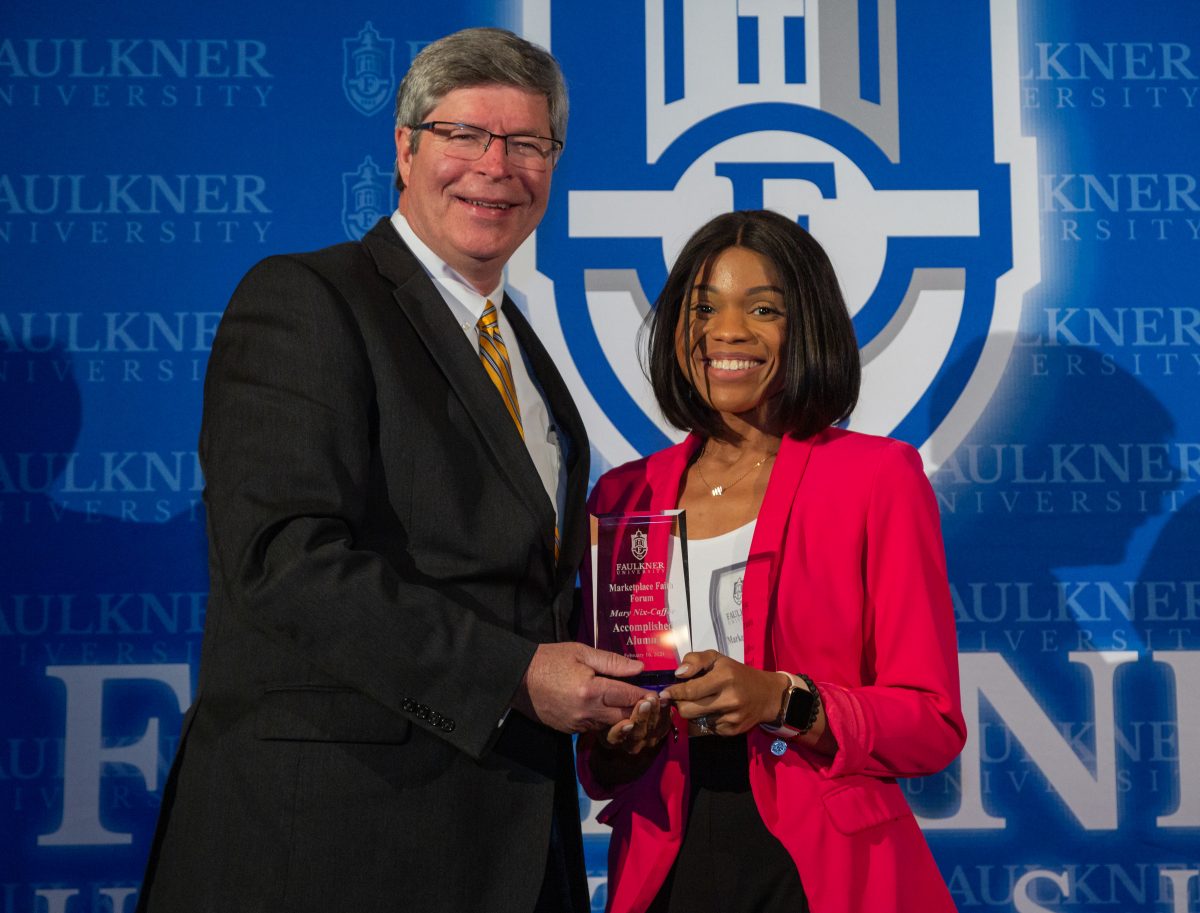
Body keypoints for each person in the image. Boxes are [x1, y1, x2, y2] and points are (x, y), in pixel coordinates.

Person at [136, 27, 649, 913]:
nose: (496, 166)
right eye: (464, 136)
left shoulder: (526, 352)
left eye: (528, 143)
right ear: (405, 148)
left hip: (512, 842)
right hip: (333, 842)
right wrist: (517, 674)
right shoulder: (306, 301)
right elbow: (284, 560)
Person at [578, 210, 967, 913]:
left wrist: (782, 699)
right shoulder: (622, 495)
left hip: (824, 870)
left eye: (762, 308)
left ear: (807, 327)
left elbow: (931, 721)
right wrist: (624, 740)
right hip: (667, 860)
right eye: (702, 309)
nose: (726, 331)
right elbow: (600, 758)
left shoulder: (878, 476)